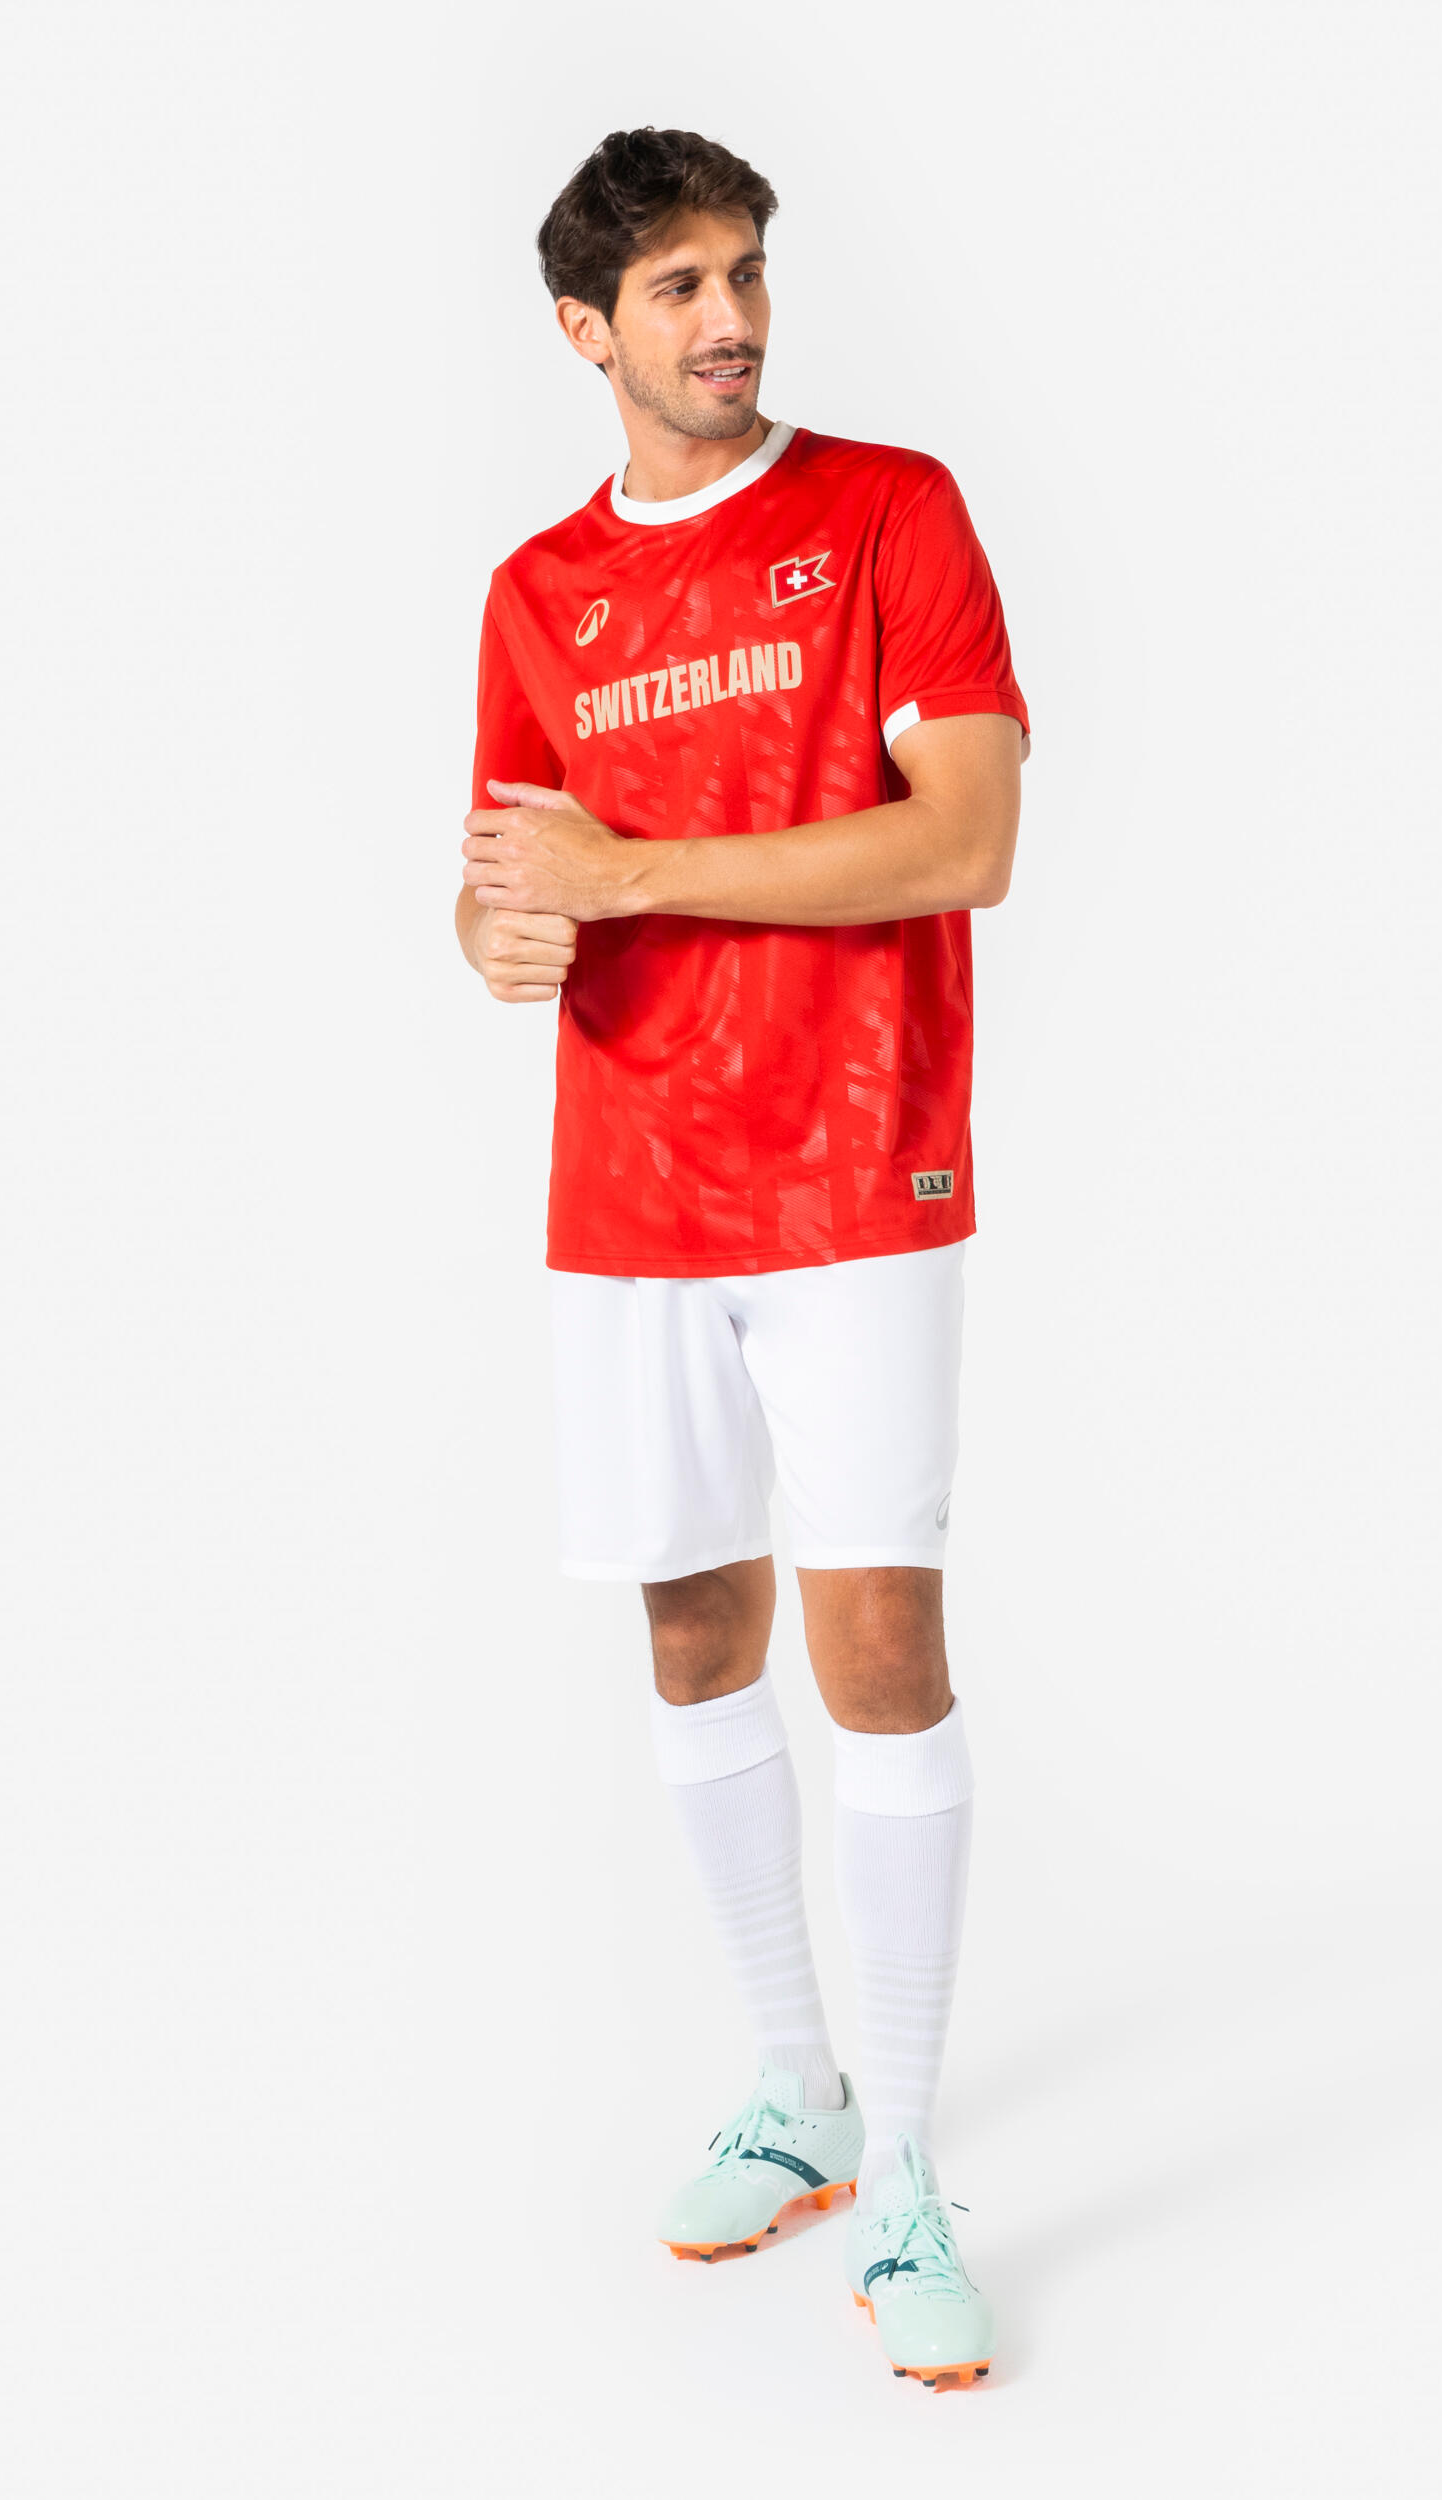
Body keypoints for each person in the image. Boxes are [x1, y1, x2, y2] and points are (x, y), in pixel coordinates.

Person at [454, 126, 1027, 2394]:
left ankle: (909, 2174)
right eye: (680, 286)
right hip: (631, 1185)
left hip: (854, 1165)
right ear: (583, 329)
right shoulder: (537, 591)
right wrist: (506, 925)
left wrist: (634, 877)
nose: (731, 318)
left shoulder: (889, 513)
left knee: (877, 1644)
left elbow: (963, 837)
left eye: (747, 272)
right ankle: (795, 2084)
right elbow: (508, 878)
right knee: (694, 1635)